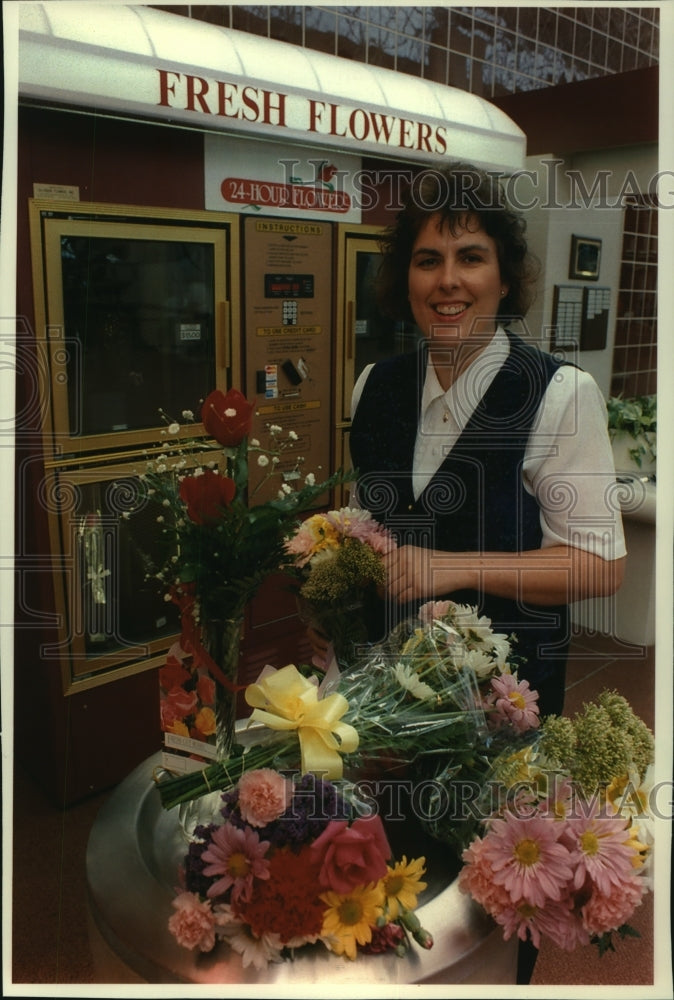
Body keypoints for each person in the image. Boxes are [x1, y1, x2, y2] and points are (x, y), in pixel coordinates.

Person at [341, 162, 627, 984]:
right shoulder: (376, 385)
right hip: (385, 712)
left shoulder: (559, 394)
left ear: (505, 275)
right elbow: (379, 529)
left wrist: (448, 567)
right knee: (394, 906)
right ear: (405, 279)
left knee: (493, 913)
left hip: (508, 718)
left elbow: (601, 563)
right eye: (427, 260)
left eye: (470, 255)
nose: (448, 280)